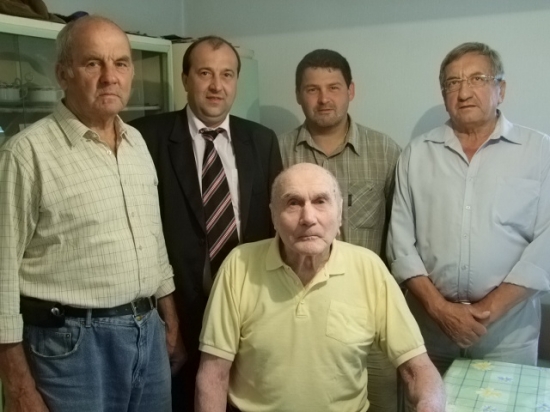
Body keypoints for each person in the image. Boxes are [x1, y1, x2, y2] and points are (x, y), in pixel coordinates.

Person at [0, 15, 184, 412]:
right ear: (63, 74)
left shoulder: (136, 142)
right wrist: (17, 387)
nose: (110, 77)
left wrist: (169, 319)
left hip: (148, 333)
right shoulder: (26, 154)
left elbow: (153, 241)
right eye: (92, 63)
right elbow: (1, 276)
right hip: (71, 347)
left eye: (121, 63)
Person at [195, 163, 445, 412]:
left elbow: (417, 369)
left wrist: (430, 404)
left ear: (339, 214)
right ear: (273, 216)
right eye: (293, 203)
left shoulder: (369, 268)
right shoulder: (239, 266)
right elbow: (213, 374)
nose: (308, 218)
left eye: (320, 201)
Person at [130, 35, 283, 411]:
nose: (217, 85)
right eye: (205, 73)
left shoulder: (261, 141)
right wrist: (166, 318)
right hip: (175, 316)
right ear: (185, 79)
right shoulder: (146, 137)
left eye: (227, 74)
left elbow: (275, 228)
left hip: (248, 312)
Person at [388, 42, 550, 374]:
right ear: (444, 94)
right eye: (453, 82)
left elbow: (545, 246)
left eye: (477, 79)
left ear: (500, 89)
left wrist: (487, 311)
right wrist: (440, 310)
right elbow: (400, 244)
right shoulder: (416, 154)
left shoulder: (539, 152)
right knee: (427, 400)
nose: (464, 92)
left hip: (507, 334)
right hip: (429, 330)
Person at [278, 49, 402, 412]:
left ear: (351, 90)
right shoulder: (278, 152)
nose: (324, 98)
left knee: (381, 402)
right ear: (298, 94)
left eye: (333, 87)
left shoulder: (385, 151)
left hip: (370, 312)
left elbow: (400, 233)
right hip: (298, 313)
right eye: (312, 89)